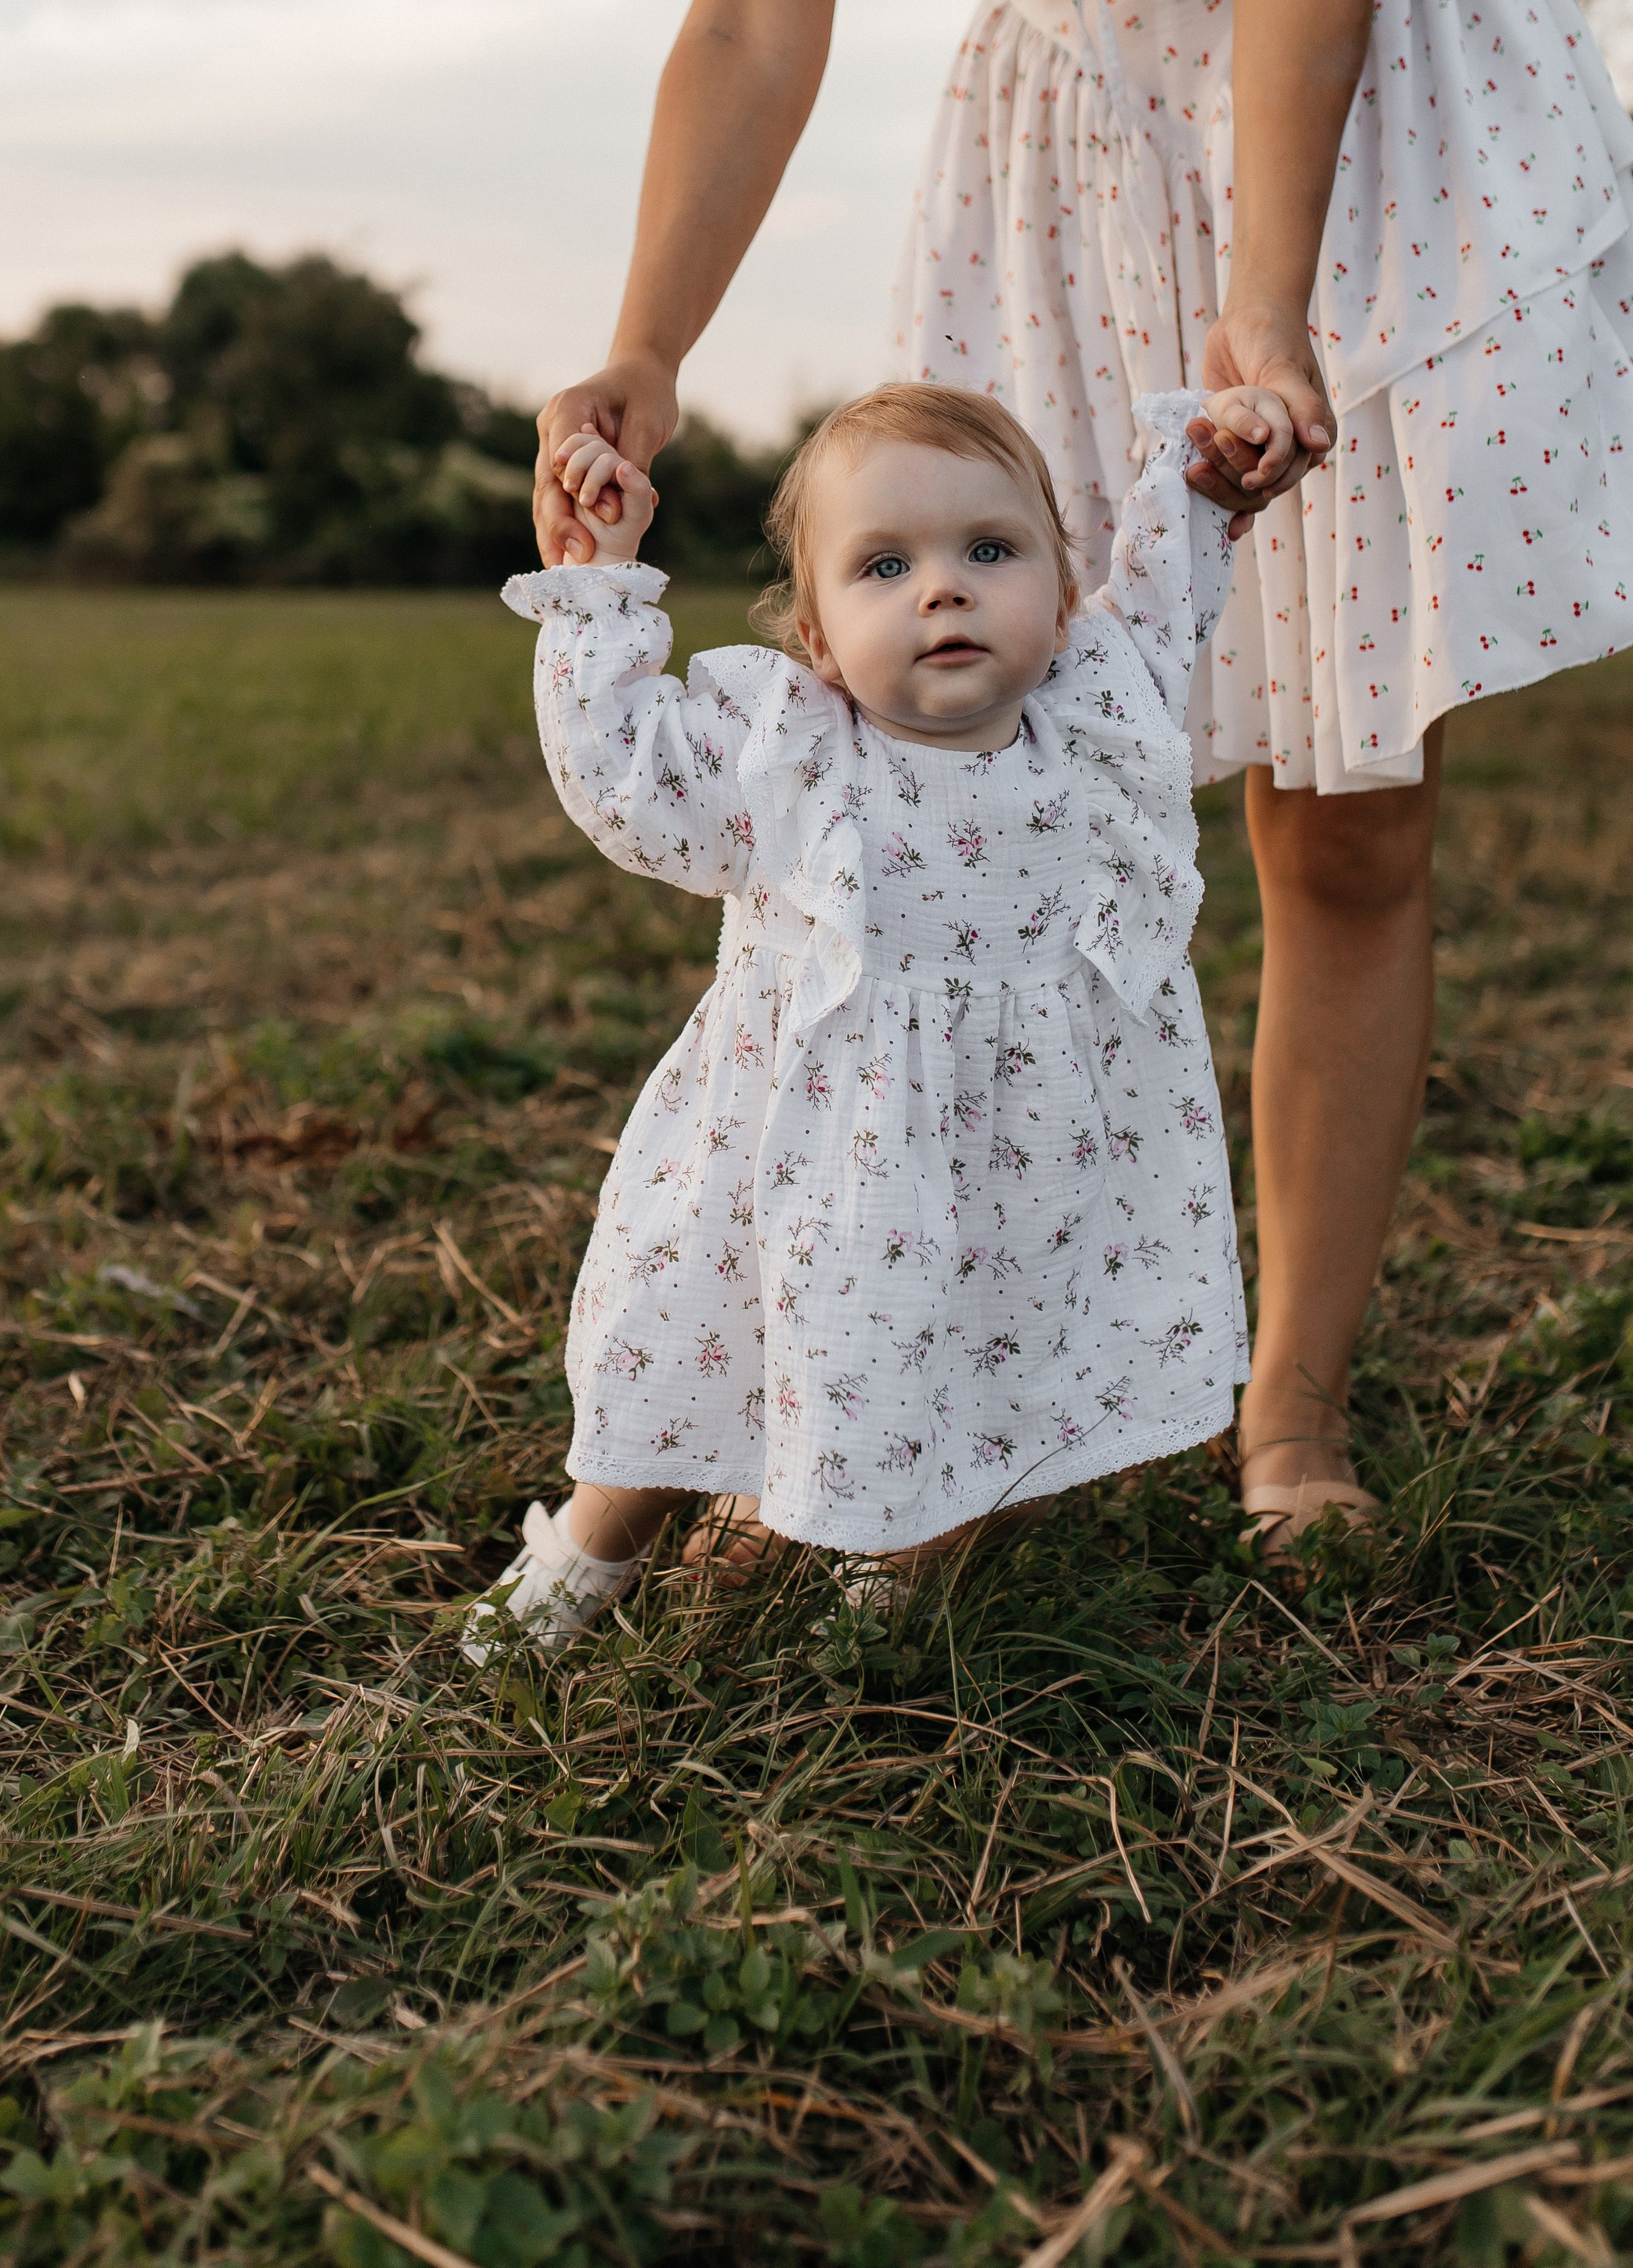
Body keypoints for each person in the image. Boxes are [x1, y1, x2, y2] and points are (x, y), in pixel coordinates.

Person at [532, 0, 1633, 1549]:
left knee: (1342, 805)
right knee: (986, 817)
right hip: (1067, 153)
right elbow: (759, 11)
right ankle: (938, 1382)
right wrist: (644, 346)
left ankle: (1288, 1412)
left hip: (1362, 111)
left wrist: (1267, 310)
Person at [464, 376, 1291, 1661]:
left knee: (977, 1375)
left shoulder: (1092, 717)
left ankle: (889, 1594)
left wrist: (1205, 485)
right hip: (801, 1171)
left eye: (990, 551)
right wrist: (600, 582)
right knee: (692, 1372)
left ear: (1065, 602)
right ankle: (590, 1549)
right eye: (885, 564)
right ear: (815, 634)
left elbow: (1171, 594)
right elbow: (625, 777)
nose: (943, 588)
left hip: (1012, 1179)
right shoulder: (791, 756)